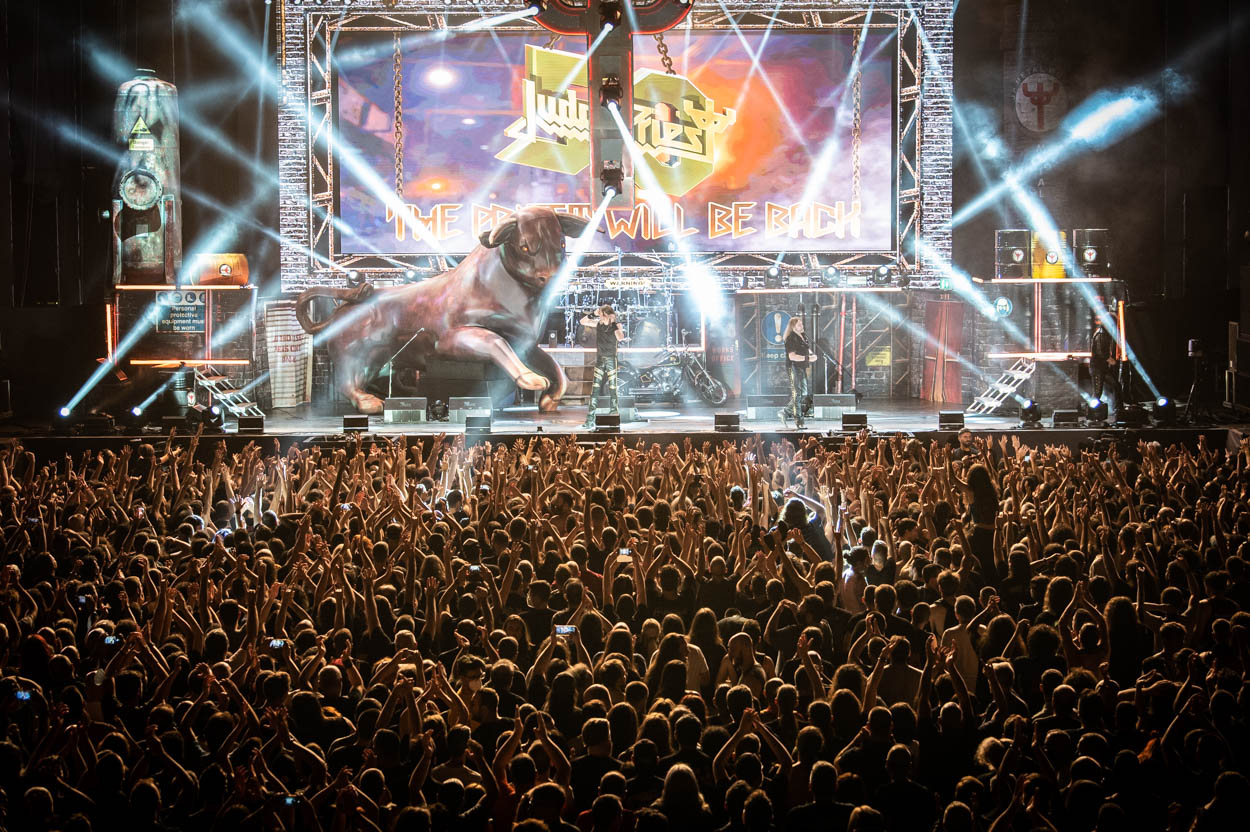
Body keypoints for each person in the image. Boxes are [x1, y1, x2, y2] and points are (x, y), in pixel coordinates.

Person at [580, 304, 626, 429]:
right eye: (599, 314)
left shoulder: (615, 325)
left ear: (606, 314)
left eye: (600, 313)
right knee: (595, 389)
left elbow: (621, 338)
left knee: (612, 387)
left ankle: (614, 412)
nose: (599, 316)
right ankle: (590, 419)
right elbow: (582, 321)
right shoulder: (598, 324)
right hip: (600, 359)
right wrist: (592, 314)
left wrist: (617, 325)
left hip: (611, 359)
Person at [779, 316, 818, 429]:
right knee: (797, 394)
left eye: (802, 324)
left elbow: (806, 349)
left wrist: (812, 355)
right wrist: (808, 358)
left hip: (801, 368)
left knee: (803, 393)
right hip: (794, 368)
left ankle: (785, 412)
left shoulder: (803, 336)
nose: (802, 326)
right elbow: (792, 356)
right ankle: (798, 421)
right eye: (799, 324)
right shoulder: (791, 338)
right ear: (793, 327)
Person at [1090, 317, 1116, 404]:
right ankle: (1092, 413)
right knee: (1097, 393)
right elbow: (1100, 351)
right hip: (1098, 367)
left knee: (1116, 386)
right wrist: (1109, 359)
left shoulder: (1104, 333)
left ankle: (1118, 408)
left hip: (1102, 367)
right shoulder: (1101, 334)